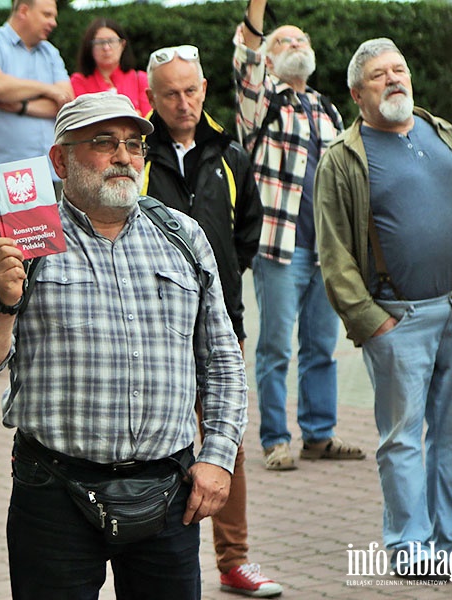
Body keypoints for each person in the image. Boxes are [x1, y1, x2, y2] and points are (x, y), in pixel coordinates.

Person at [0, 91, 247, 599]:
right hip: (54, 491)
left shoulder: (182, 236)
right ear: (61, 159)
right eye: (104, 142)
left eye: (134, 145)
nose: (124, 157)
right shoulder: (20, 237)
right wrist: (4, 301)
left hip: (167, 490)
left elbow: (222, 359)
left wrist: (218, 457)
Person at [314, 39, 452, 576]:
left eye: (399, 70)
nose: (394, 80)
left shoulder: (441, 131)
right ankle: (411, 548)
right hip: (401, 319)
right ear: (356, 94)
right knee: (403, 439)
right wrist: (374, 324)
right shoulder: (343, 159)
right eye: (378, 76)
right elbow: (334, 253)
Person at [143, 45, 281, 598]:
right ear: (151, 97)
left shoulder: (230, 156)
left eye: (192, 90)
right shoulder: (138, 156)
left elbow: (248, 231)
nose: (184, 102)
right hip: (151, 332)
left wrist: (221, 289)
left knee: (227, 443)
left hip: (221, 324)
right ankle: (150, 555)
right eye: (171, 93)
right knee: (156, 441)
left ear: (204, 88)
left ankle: (234, 563)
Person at [233, 0, 364, 470]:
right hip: (280, 249)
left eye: (302, 39)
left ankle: (318, 434)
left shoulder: (326, 107)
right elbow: (244, 57)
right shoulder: (261, 102)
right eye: (285, 40)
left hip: (326, 249)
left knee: (321, 347)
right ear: (269, 59)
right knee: (274, 348)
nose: (297, 44)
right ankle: (274, 439)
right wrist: (257, 10)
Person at [0, 0, 73, 256]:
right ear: (24, 10)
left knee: (40, 262)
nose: (53, 22)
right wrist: (47, 89)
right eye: (46, 14)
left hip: (42, 175)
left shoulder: (50, 52)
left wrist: (22, 106)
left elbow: (66, 100)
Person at [70, 18, 151, 117]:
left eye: (112, 41)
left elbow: (148, 119)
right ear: (90, 47)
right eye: (99, 42)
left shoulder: (140, 79)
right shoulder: (79, 81)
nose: (106, 48)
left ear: (122, 44)